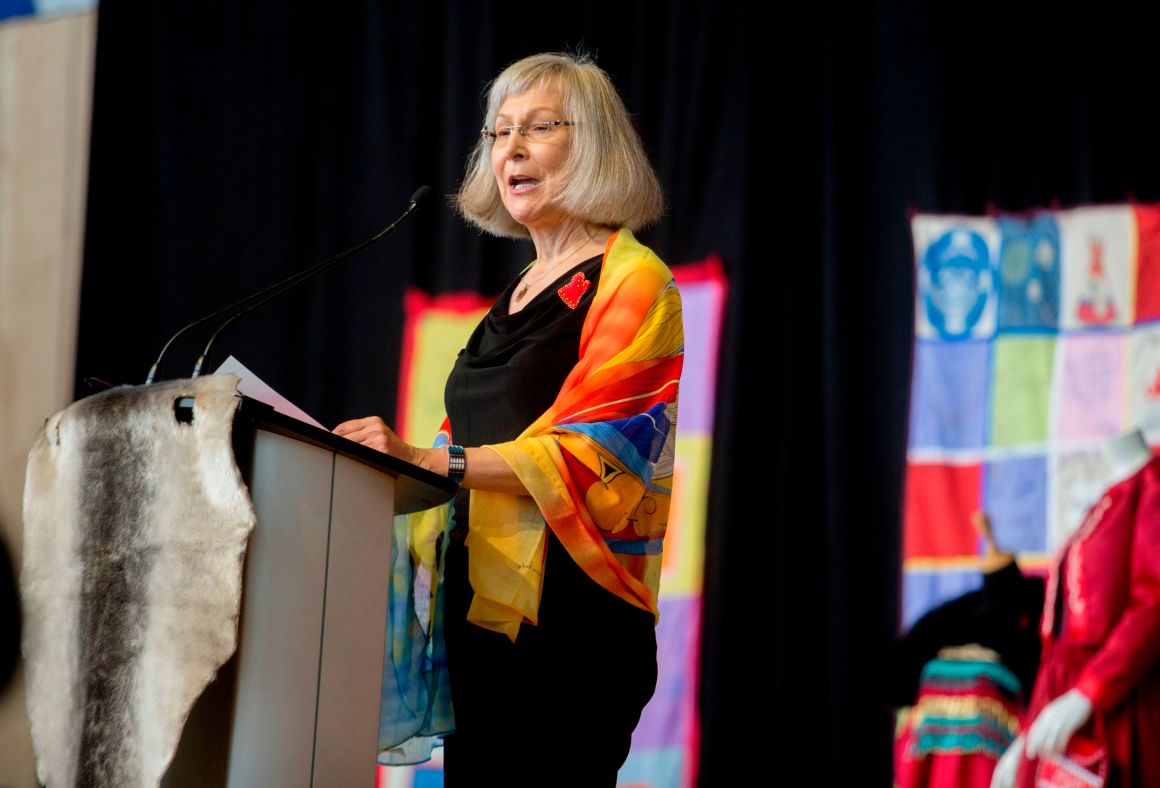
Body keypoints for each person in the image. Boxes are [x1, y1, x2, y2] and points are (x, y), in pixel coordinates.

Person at [334, 52, 682, 785]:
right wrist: (385, 469)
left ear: (590, 144)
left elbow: (595, 453)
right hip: (481, 615)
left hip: (574, 627)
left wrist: (433, 464)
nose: (510, 150)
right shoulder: (520, 291)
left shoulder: (635, 281)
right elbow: (462, 437)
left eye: (536, 129)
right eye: (498, 133)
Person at [991, 429, 1160, 788]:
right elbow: (1058, 643)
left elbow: (1153, 603)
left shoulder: (1152, 487)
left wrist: (1090, 692)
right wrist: (1027, 737)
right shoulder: (1109, 497)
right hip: (1062, 699)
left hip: (1117, 703)